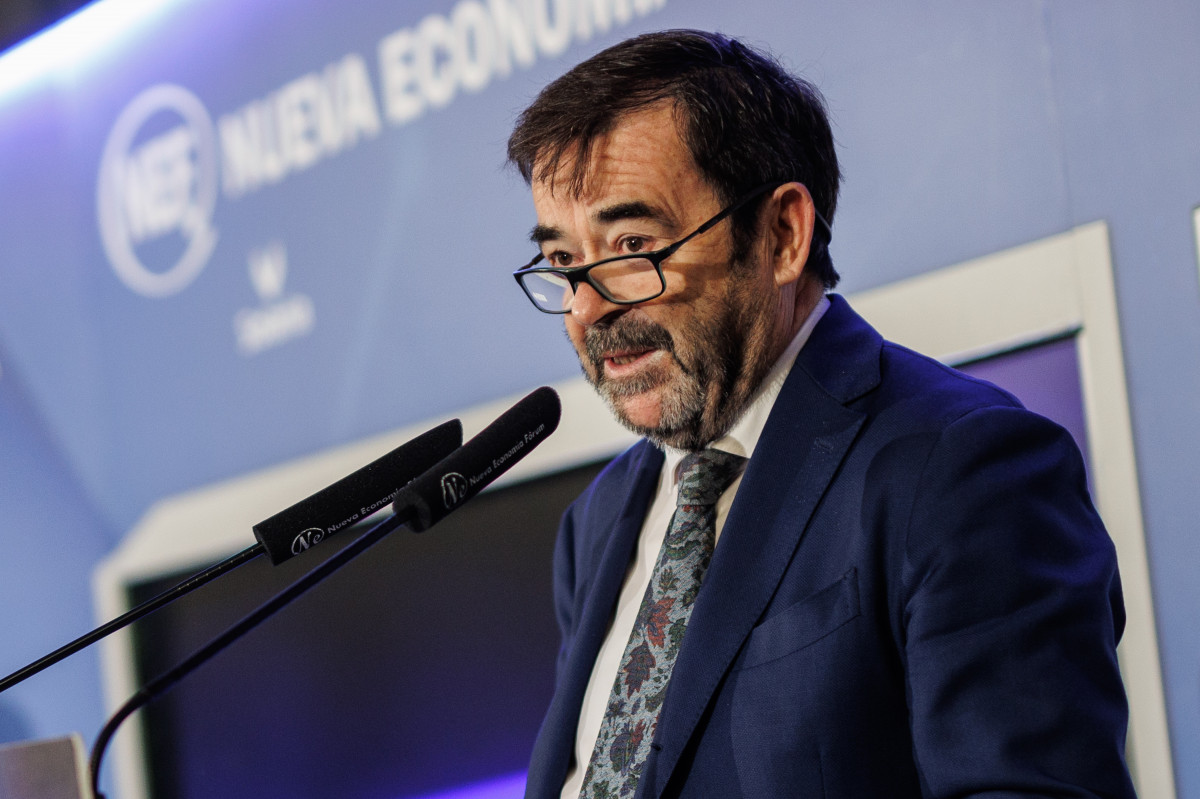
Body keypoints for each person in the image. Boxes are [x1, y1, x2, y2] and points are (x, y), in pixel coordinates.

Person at [507, 29, 1135, 799]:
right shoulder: (598, 521)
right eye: (564, 262)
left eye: (633, 244)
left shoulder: (963, 466)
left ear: (782, 235)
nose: (586, 309)